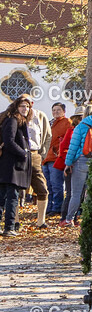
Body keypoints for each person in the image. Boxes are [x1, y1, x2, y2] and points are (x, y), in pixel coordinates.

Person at [61, 103, 92, 226]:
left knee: (76, 193)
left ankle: (69, 219)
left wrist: (68, 164)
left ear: (85, 114)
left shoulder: (80, 127)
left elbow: (73, 147)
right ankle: (91, 219)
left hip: (81, 161)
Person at [0, 96, 33, 236]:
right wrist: (24, 153)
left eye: (27, 106)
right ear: (16, 107)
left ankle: (8, 226)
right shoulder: (13, 120)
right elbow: (9, 141)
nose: (25, 109)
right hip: (11, 165)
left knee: (4, 197)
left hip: (12, 165)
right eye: (22, 106)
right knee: (11, 197)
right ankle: (9, 227)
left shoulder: (19, 121)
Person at [26, 100, 51, 228]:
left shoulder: (40, 116)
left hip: (35, 154)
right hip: (18, 155)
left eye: (28, 104)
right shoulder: (14, 117)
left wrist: (42, 155)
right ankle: (15, 221)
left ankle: (41, 221)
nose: (26, 107)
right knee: (16, 189)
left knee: (42, 188)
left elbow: (48, 135)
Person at [43, 102, 71, 218]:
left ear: (64, 111)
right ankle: (48, 207)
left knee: (56, 185)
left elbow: (67, 140)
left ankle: (57, 207)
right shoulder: (50, 123)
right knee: (47, 185)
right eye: (54, 110)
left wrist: (60, 153)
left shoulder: (66, 122)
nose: (56, 112)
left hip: (56, 158)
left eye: (58, 110)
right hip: (46, 158)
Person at [53, 111, 83, 220]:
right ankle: (65, 217)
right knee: (71, 193)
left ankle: (75, 217)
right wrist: (69, 163)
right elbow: (64, 148)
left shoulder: (86, 132)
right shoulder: (71, 131)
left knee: (79, 193)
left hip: (78, 165)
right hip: (71, 166)